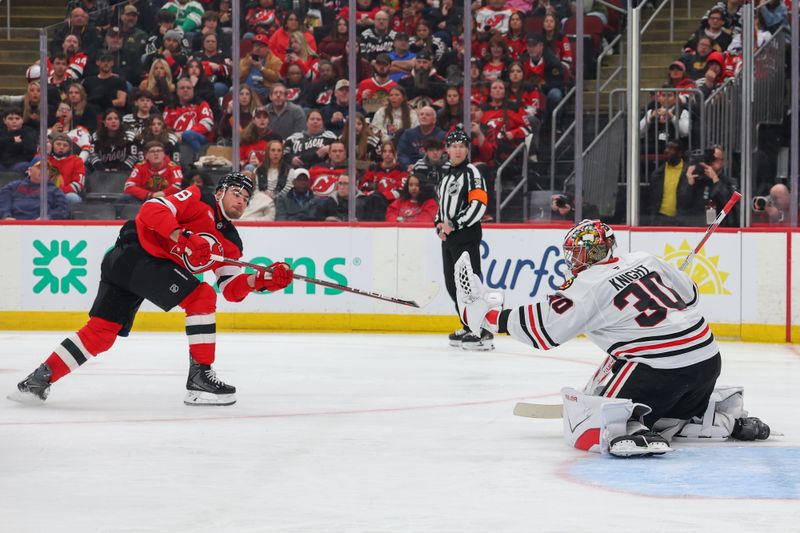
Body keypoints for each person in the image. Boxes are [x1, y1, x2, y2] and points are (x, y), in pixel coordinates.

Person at [455, 219, 771, 457]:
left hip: (661, 370)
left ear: (593, 253)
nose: (575, 260)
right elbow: (690, 294)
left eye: (579, 254)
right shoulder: (644, 259)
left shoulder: (587, 285)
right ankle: (716, 417)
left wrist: (486, 318)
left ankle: (630, 429)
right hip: (707, 362)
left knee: (599, 411)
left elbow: (544, 330)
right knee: (647, 381)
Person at [8, 172, 294, 406]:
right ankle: (200, 378)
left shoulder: (232, 241)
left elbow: (231, 288)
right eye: (236, 193)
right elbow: (152, 209)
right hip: (134, 255)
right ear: (220, 192)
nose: (241, 201)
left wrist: (263, 281)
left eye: (246, 198)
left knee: (101, 334)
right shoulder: (198, 198)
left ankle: (36, 381)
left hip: (136, 268)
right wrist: (182, 236)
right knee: (201, 295)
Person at [435, 128, 490, 350]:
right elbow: (441, 206)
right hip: (448, 238)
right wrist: (439, 224)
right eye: (454, 146)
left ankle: (480, 330)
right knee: (452, 285)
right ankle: (468, 325)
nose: (457, 150)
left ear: (467, 150)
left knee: (469, 285)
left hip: (466, 235)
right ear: (447, 149)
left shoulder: (472, 173)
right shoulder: (445, 175)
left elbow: (479, 206)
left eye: (461, 146)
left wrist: (453, 224)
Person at [0, 157, 68, 220]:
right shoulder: (13, 186)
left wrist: (48, 217)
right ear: (30, 170)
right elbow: (3, 202)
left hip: (41, 227)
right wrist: (6, 216)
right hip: (13, 225)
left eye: (46, 168)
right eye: (39, 167)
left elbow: (62, 210)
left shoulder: (55, 190)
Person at [163, 77, 214, 154]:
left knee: (188, 135)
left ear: (193, 90)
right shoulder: (170, 107)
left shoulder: (201, 104)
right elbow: (164, 127)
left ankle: (201, 159)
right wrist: (174, 135)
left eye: (188, 88)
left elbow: (207, 124)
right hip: (176, 137)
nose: (185, 90)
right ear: (177, 91)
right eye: (182, 88)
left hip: (199, 138)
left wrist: (184, 133)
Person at [647, 140, 690, 226]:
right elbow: (652, 200)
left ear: (679, 153)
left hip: (682, 221)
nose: (666, 151)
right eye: (666, 148)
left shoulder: (689, 172)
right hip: (661, 220)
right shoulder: (657, 174)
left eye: (671, 148)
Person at [49, 133, 87, 204]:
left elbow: (78, 184)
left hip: (65, 194)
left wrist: (58, 191)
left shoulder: (76, 160)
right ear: (52, 146)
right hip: (45, 193)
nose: (61, 147)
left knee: (72, 198)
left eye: (65, 145)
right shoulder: (45, 159)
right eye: (58, 144)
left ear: (69, 148)